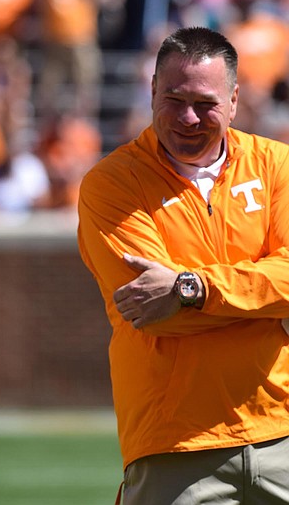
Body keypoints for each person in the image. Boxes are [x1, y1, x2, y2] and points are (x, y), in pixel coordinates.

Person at [77, 26, 289, 504]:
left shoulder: (277, 165)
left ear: (234, 101)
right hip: (172, 442)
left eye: (205, 102)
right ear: (151, 91)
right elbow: (149, 310)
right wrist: (263, 299)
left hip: (281, 426)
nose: (188, 117)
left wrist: (190, 287)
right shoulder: (111, 185)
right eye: (173, 98)